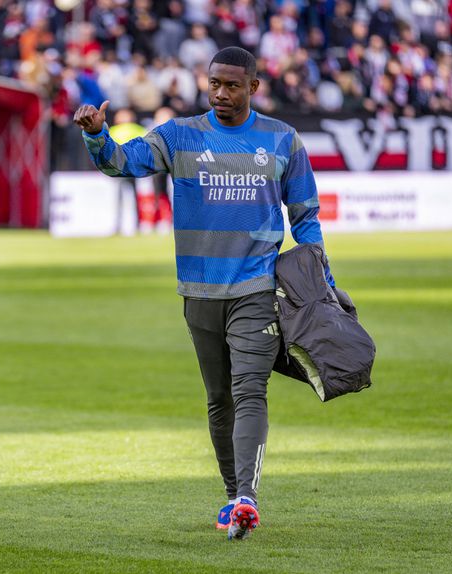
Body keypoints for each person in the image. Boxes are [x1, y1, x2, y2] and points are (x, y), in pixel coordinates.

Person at [74, 46, 334, 541]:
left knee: (248, 390)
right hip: (198, 291)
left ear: (254, 88)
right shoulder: (179, 135)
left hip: (257, 288)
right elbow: (122, 163)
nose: (220, 93)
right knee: (219, 400)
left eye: (232, 85)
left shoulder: (282, 140)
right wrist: (95, 135)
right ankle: (232, 493)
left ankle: (246, 499)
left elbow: (305, 217)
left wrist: (322, 278)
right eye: (214, 83)